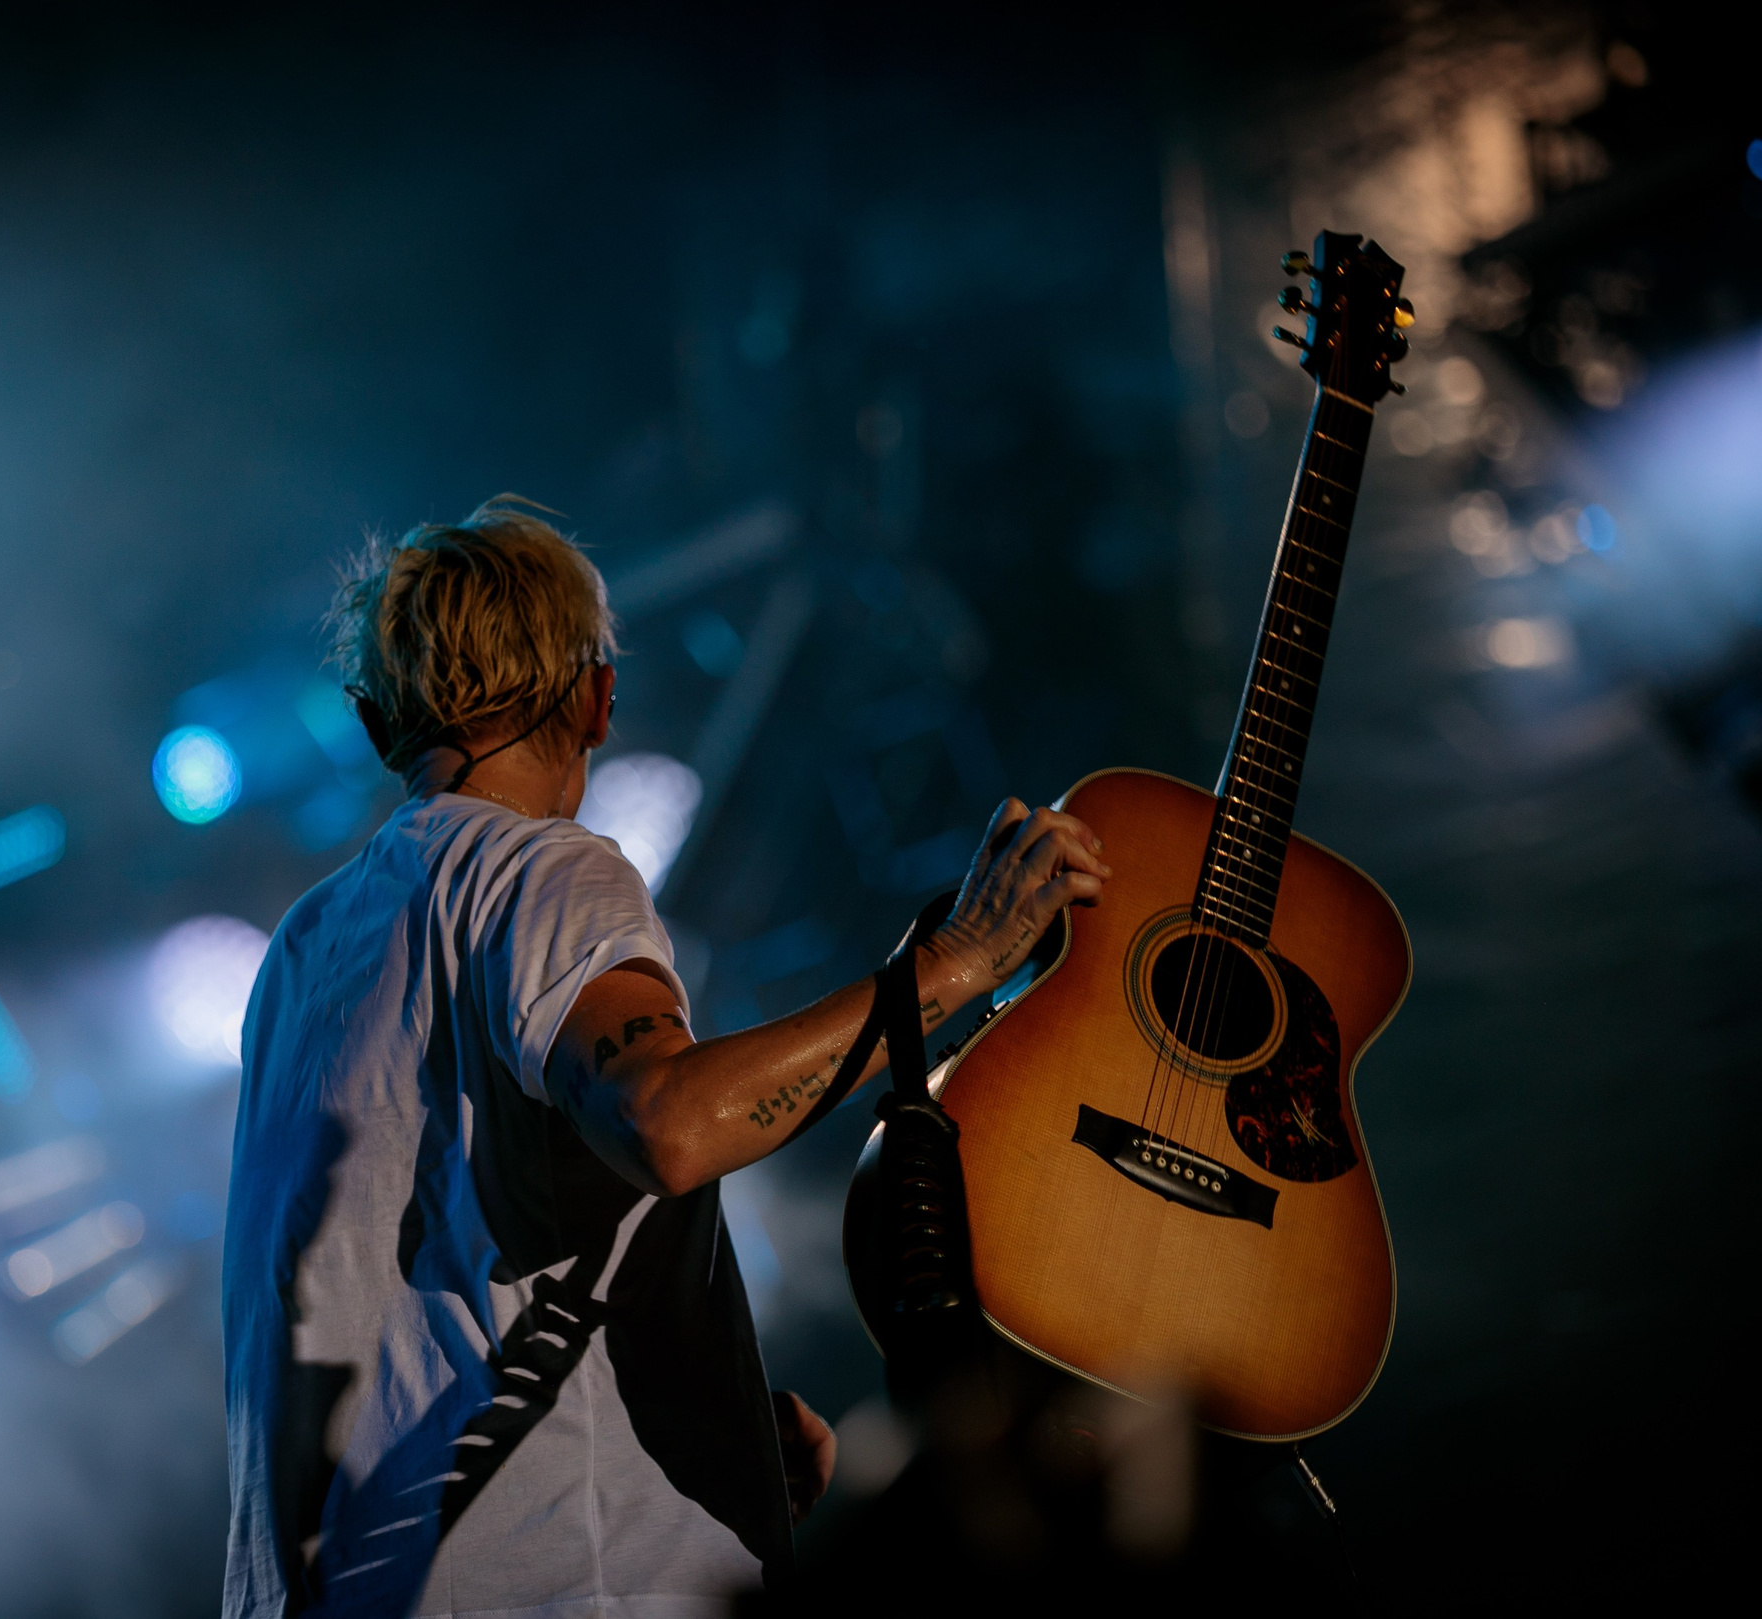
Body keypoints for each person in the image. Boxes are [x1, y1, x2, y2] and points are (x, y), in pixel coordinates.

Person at [220, 498, 1108, 1617]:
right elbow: (668, 1123)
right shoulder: (542, 871)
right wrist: (956, 961)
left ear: (370, 720)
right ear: (598, 696)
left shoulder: (303, 950)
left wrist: (702, 1423)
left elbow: (414, 1286)